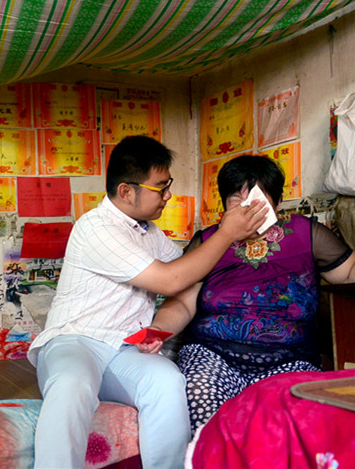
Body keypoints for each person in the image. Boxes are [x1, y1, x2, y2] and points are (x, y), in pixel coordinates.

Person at [27, 135, 266, 468]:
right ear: (126, 191)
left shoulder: (149, 232)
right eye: (160, 188)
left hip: (125, 348)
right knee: (71, 384)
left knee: (167, 382)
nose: (168, 196)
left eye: (169, 185)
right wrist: (227, 233)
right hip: (76, 340)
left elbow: (189, 268)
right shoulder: (95, 228)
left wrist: (237, 235)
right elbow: (171, 279)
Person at [139, 154, 355, 434]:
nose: (247, 209)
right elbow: (183, 302)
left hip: (290, 361)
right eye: (237, 200)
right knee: (201, 404)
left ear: (276, 203)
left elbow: (350, 271)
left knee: (290, 424)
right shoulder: (208, 241)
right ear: (224, 206)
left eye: (257, 199)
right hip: (213, 357)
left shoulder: (305, 234)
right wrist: (158, 330)